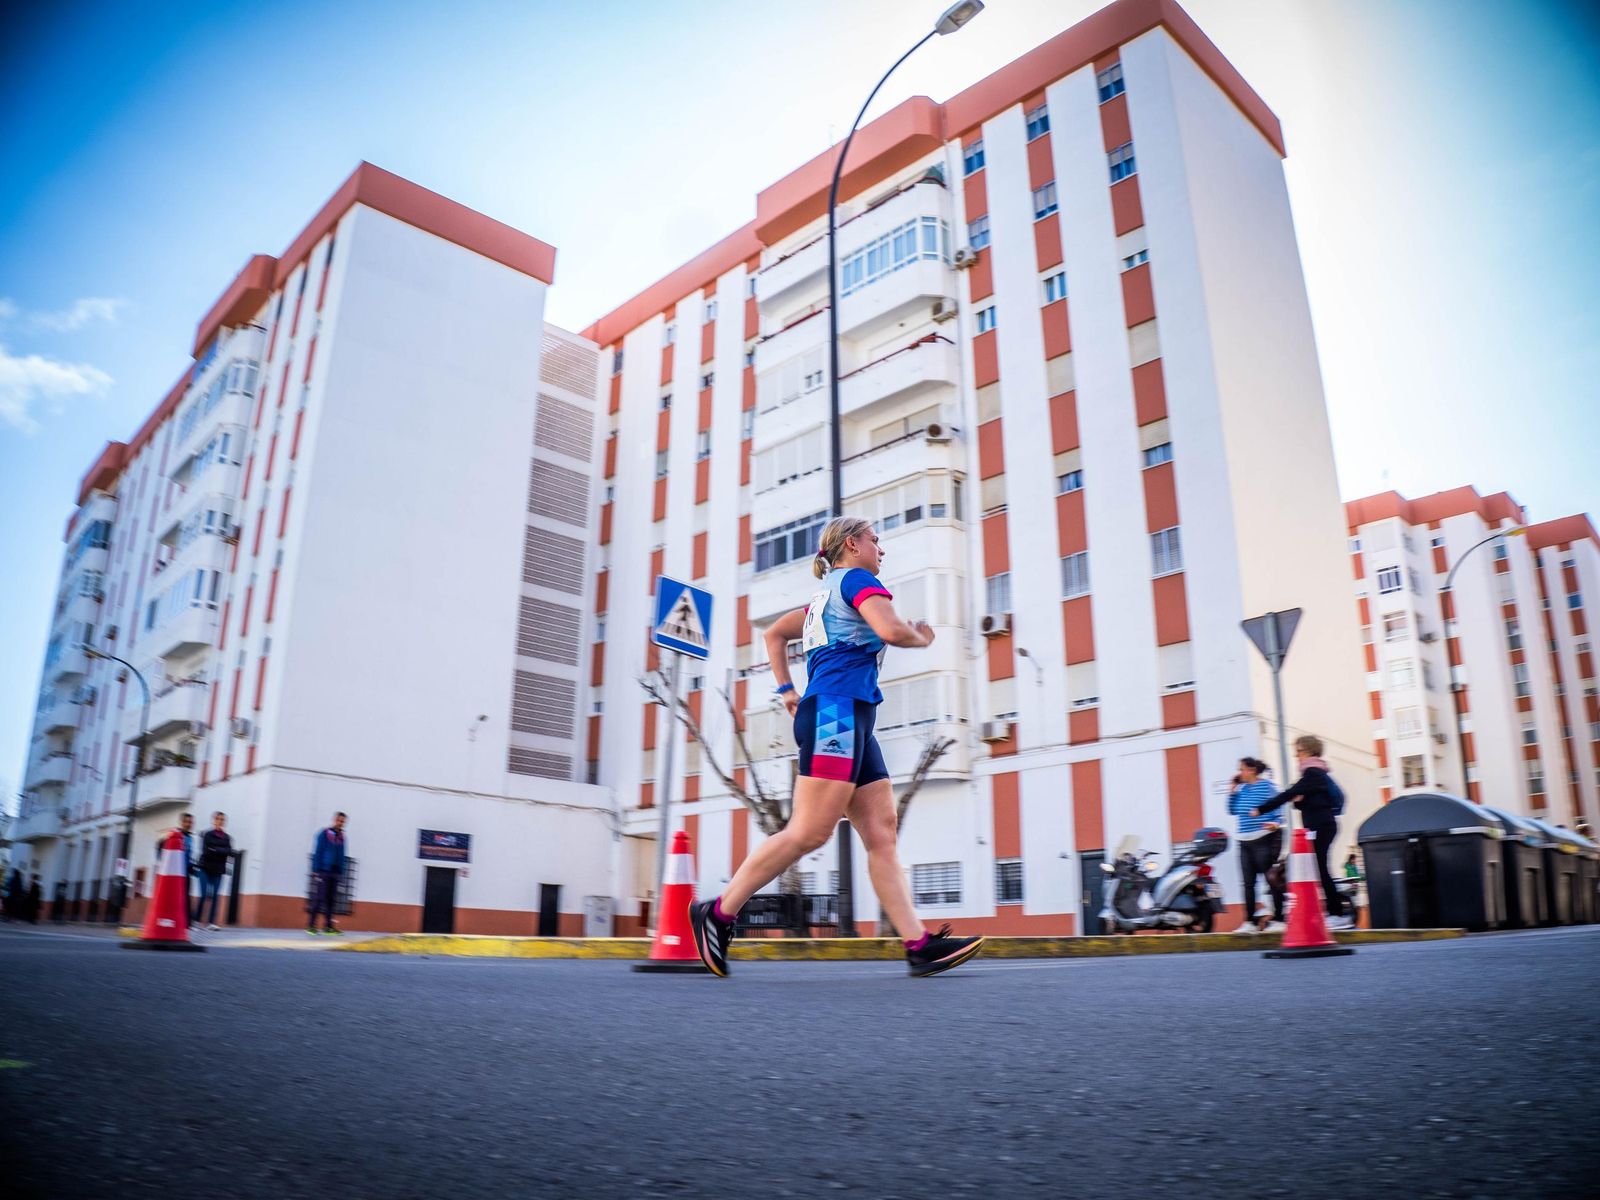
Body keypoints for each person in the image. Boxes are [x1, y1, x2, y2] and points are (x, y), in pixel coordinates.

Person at [687, 516, 984, 979]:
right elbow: (891, 631)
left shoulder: (821, 600)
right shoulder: (857, 581)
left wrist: (788, 691)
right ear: (853, 544)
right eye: (875, 540)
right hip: (836, 713)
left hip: (853, 715)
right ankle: (718, 913)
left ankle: (919, 945)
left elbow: (774, 635)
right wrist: (922, 635)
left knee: (882, 834)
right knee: (810, 832)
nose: (880, 550)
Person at [1251, 734, 1351, 929]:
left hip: (1321, 826)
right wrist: (1301, 801)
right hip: (1319, 825)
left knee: (1320, 868)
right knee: (1316, 869)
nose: (1296, 756)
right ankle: (1326, 911)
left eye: (1298, 752)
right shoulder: (1315, 774)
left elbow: (1287, 794)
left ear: (1307, 751)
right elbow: (1305, 800)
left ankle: (1338, 914)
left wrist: (1261, 809)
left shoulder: (1313, 773)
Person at [1227, 757, 1285, 934]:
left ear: (1251, 770)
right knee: (1247, 883)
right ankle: (1250, 922)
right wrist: (1232, 791)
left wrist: (1275, 822)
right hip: (1244, 841)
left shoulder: (1267, 786)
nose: (1239, 773)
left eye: (1242, 769)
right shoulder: (1242, 789)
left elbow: (1279, 807)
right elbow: (1232, 810)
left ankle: (1279, 920)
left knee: (1271, 880)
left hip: (1263, 838)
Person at [307, 812, 348, 935]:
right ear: (334, 820)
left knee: (331, 900)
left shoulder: (342, 837)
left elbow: (342, 855)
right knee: (319, 899)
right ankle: (311, 926)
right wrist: (315, 870)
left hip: (335, 873)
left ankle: (328, 927)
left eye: (343, 821)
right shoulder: (324, 834)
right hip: (323, 871)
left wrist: (341, 871)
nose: (341, 823)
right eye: (339, 820)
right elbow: (317, 852)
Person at [193, 811, 234, 931]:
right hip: (204, 868)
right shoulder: (207, 835)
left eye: (222, 820)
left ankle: (212, 923)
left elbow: (230, 853)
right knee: (204, 894)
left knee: (216, 896)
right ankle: (196, 921)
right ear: (213, 820)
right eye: (218, 819)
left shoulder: (227, 838)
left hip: (218, 870)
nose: (220, 821)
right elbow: (207, 851)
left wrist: (216, 850)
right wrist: (222, 851)